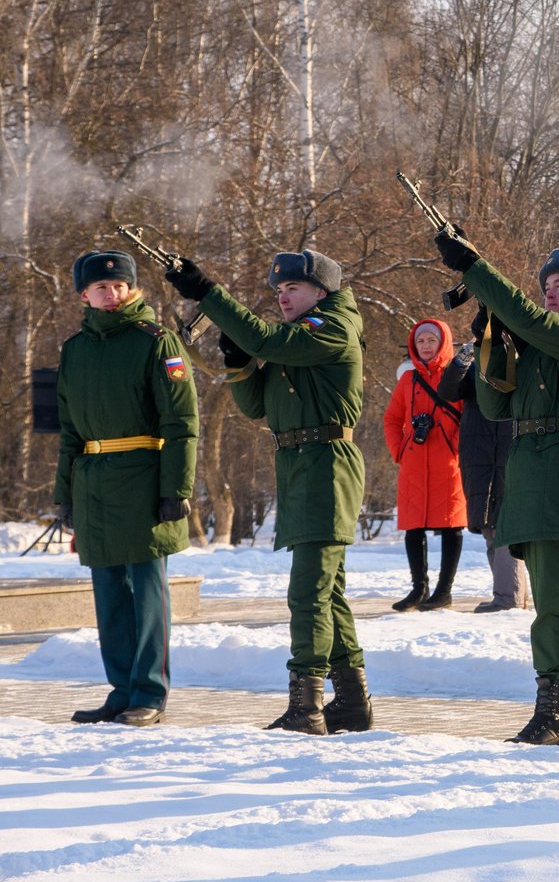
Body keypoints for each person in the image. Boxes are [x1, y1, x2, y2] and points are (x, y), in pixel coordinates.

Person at [165, 249, 372, 735]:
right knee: (328, 593)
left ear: (321, 292)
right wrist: (240, 366)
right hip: (300, 463)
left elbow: (267, 338)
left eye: (292, 289)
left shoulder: (332, 326)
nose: (282, 298)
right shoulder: (298, 339)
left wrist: (208, 293)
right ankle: (352, 701)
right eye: (278, 291)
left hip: (326, 465)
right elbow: (257, 406)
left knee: (309, 593)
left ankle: (307, 707)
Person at [434, 231, 559, 745]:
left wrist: (476, 269)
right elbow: (495, 407)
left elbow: (530, 318)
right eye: (546, 285)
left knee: (555, 597)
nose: (549, 292)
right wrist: (492, 338)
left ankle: (554, 712)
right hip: (529, 464)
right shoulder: (541, 342)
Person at [55, 250, 199, 727]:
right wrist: (65, 495)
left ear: (132, 289)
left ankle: (150, 693)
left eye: (119, 287)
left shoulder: (158, 341)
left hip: (143, 479)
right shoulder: (75, 350)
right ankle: (121, 689)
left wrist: (175, 486)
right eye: (101, 287)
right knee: (110, 593)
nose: (111, 294)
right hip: (93, 481)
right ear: (84, 295)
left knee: (147, 593)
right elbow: (71, 431)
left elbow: (181, 422)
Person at [438, 315, 527, 612]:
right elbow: (448, 392)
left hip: (508, 450)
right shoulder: (477, 363)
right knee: (490, 526)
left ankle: (508, 598)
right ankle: (513, 596)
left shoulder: (520, 359)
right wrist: (462, 360)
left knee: (504, 526)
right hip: (479, 453)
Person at [383, 320, 467, 610]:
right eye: (421, 341)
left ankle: (444, 591)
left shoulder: (457, 376)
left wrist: (454, 447)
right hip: (414, 462)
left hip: (448, 462)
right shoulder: (408, 380)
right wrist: (400, 450)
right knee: (413, 526)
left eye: (432, 340)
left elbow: (467, 416)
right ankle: (419, 588)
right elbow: (392, 419)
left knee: (451, 526)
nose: (426, 346)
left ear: (443, 342)